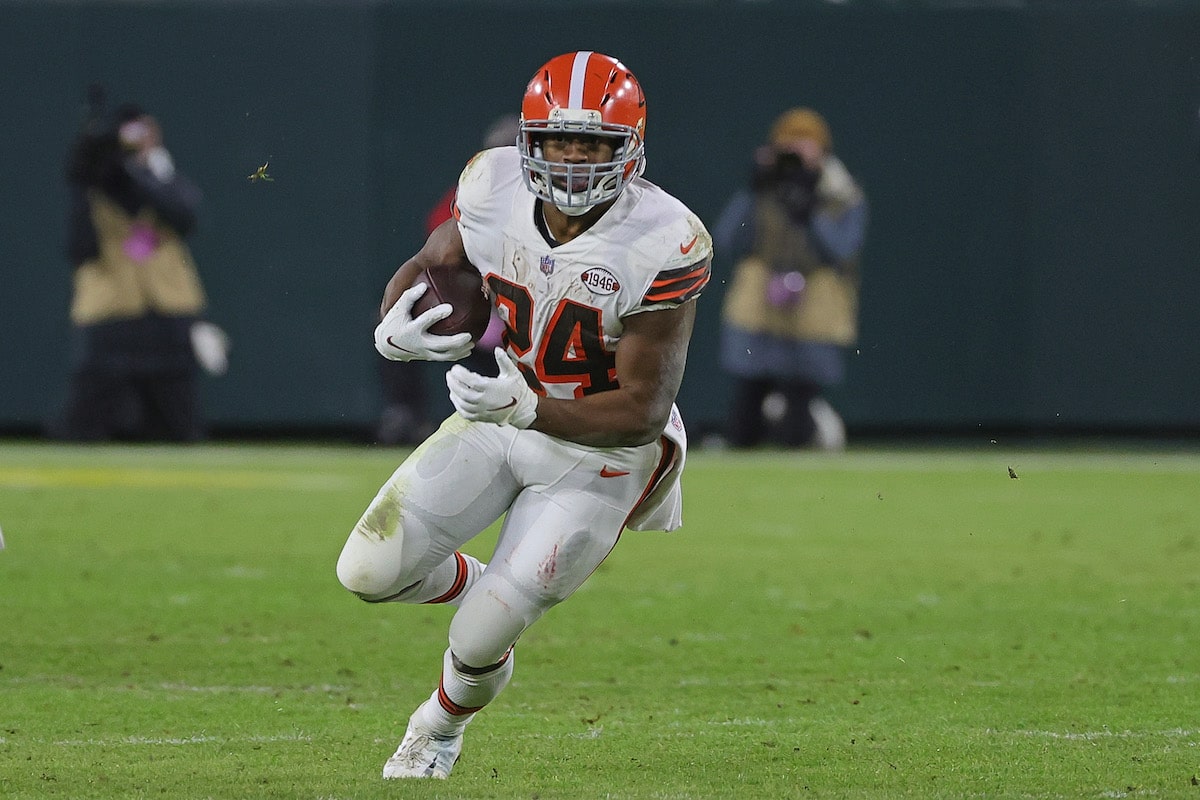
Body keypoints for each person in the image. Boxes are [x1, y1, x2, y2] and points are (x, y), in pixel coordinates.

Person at [336, 51, 712, 780]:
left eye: (593, 144)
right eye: (559, 141)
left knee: (476, 640)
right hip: (505, 409)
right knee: (367, 569)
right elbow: (437, 262)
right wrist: (394, 320)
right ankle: (498, 585)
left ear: (628, 149)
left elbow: (642, 409)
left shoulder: (665, 238)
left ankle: (437, 728)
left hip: (602, 451)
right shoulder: (491, 185)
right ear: (528, 143)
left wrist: (533, 407)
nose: (572, 161)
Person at [51, 86, 225, 442]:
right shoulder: (96, 181)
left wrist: (144, 171)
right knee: (84, 418)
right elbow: (79, 245)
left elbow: (184, 216)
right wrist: (102, 160)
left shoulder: (162, 177)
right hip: (110, 307)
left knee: (180, 418)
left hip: (168, 308)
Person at [714, 107, 867, 451]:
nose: (796, 153)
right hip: (762, 299)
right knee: (748, 397)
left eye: (805, 145)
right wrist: (753, 189)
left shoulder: (841, 193)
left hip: (814, 301)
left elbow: (844, 249)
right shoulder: (763, 187)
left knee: (802, 397)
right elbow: (726, 239)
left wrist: (811, 212)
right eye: (788, 145)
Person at [374, 114, 520, 445]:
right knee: (406, 317)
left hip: (533, 313)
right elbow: (428, 261)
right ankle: (405, 413)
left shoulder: (560, 206)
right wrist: (389, 321)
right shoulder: (472, 196)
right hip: (487, 309)